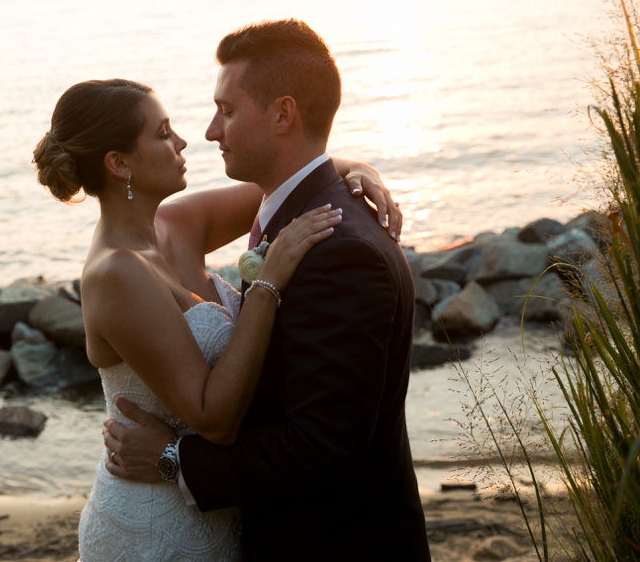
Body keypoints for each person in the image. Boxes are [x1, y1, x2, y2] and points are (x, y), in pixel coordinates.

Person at [33, 65, 406, 559]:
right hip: (154, 523)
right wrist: (267, 283)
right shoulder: (115, 274)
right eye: (163, 134)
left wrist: (360, 169)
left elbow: (294, 177)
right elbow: (214, 419)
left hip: (218, 509)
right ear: (119, 164)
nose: (186, 141)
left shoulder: (175, 223)